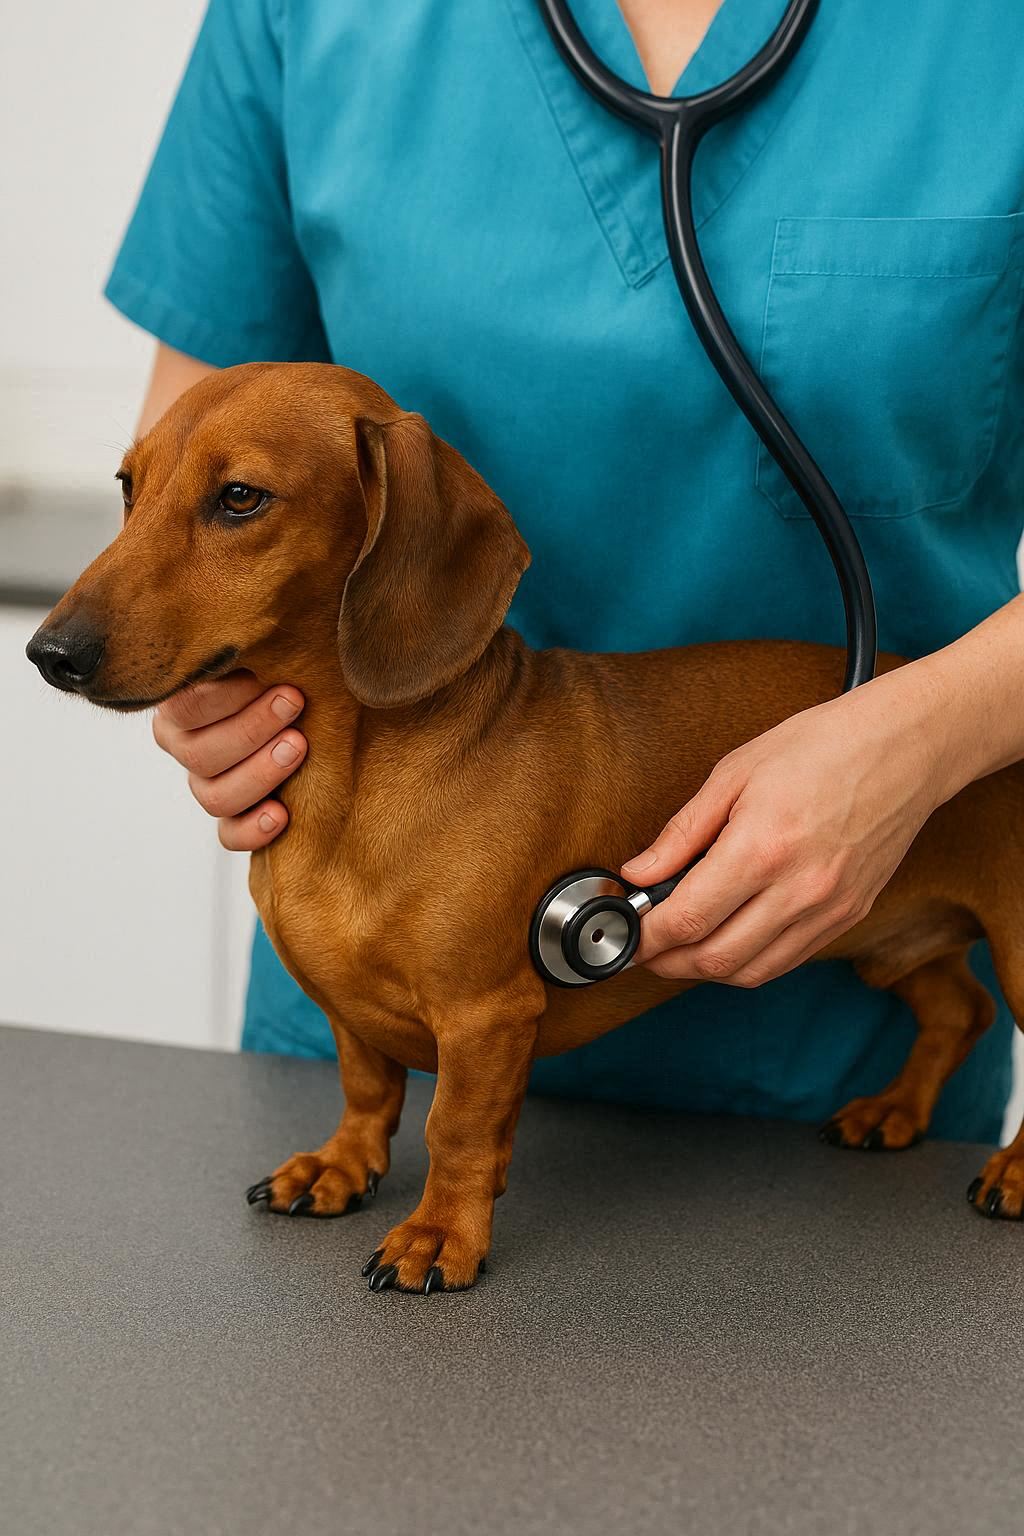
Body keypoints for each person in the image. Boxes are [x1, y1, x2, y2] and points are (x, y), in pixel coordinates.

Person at [107, 0, 1024, 1140]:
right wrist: (210, 689)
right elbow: (191, 440)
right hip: (364, 989)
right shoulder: (304, 17)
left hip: (828, 1055)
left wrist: (922, 740)